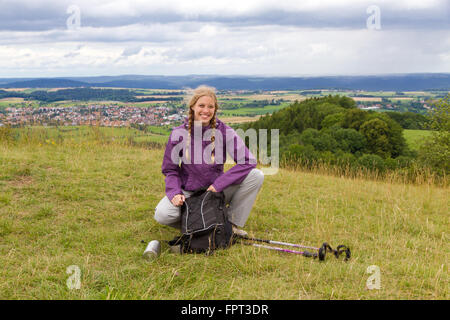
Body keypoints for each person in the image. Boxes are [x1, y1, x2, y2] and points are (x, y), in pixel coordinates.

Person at [154, 85, 264, 237]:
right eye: (201, 105)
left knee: (256, 175)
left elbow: (248, 160)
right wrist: (174, 192)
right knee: (162, 214)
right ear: (192, 107)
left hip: (216, 190)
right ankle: (200, 226)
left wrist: (218, 185)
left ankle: (231, 225)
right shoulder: (178, 133)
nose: (206, 110)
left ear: (215, 109)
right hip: (189, 193)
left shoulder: (225, 131)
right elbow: (170, 169)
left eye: (210, 106)